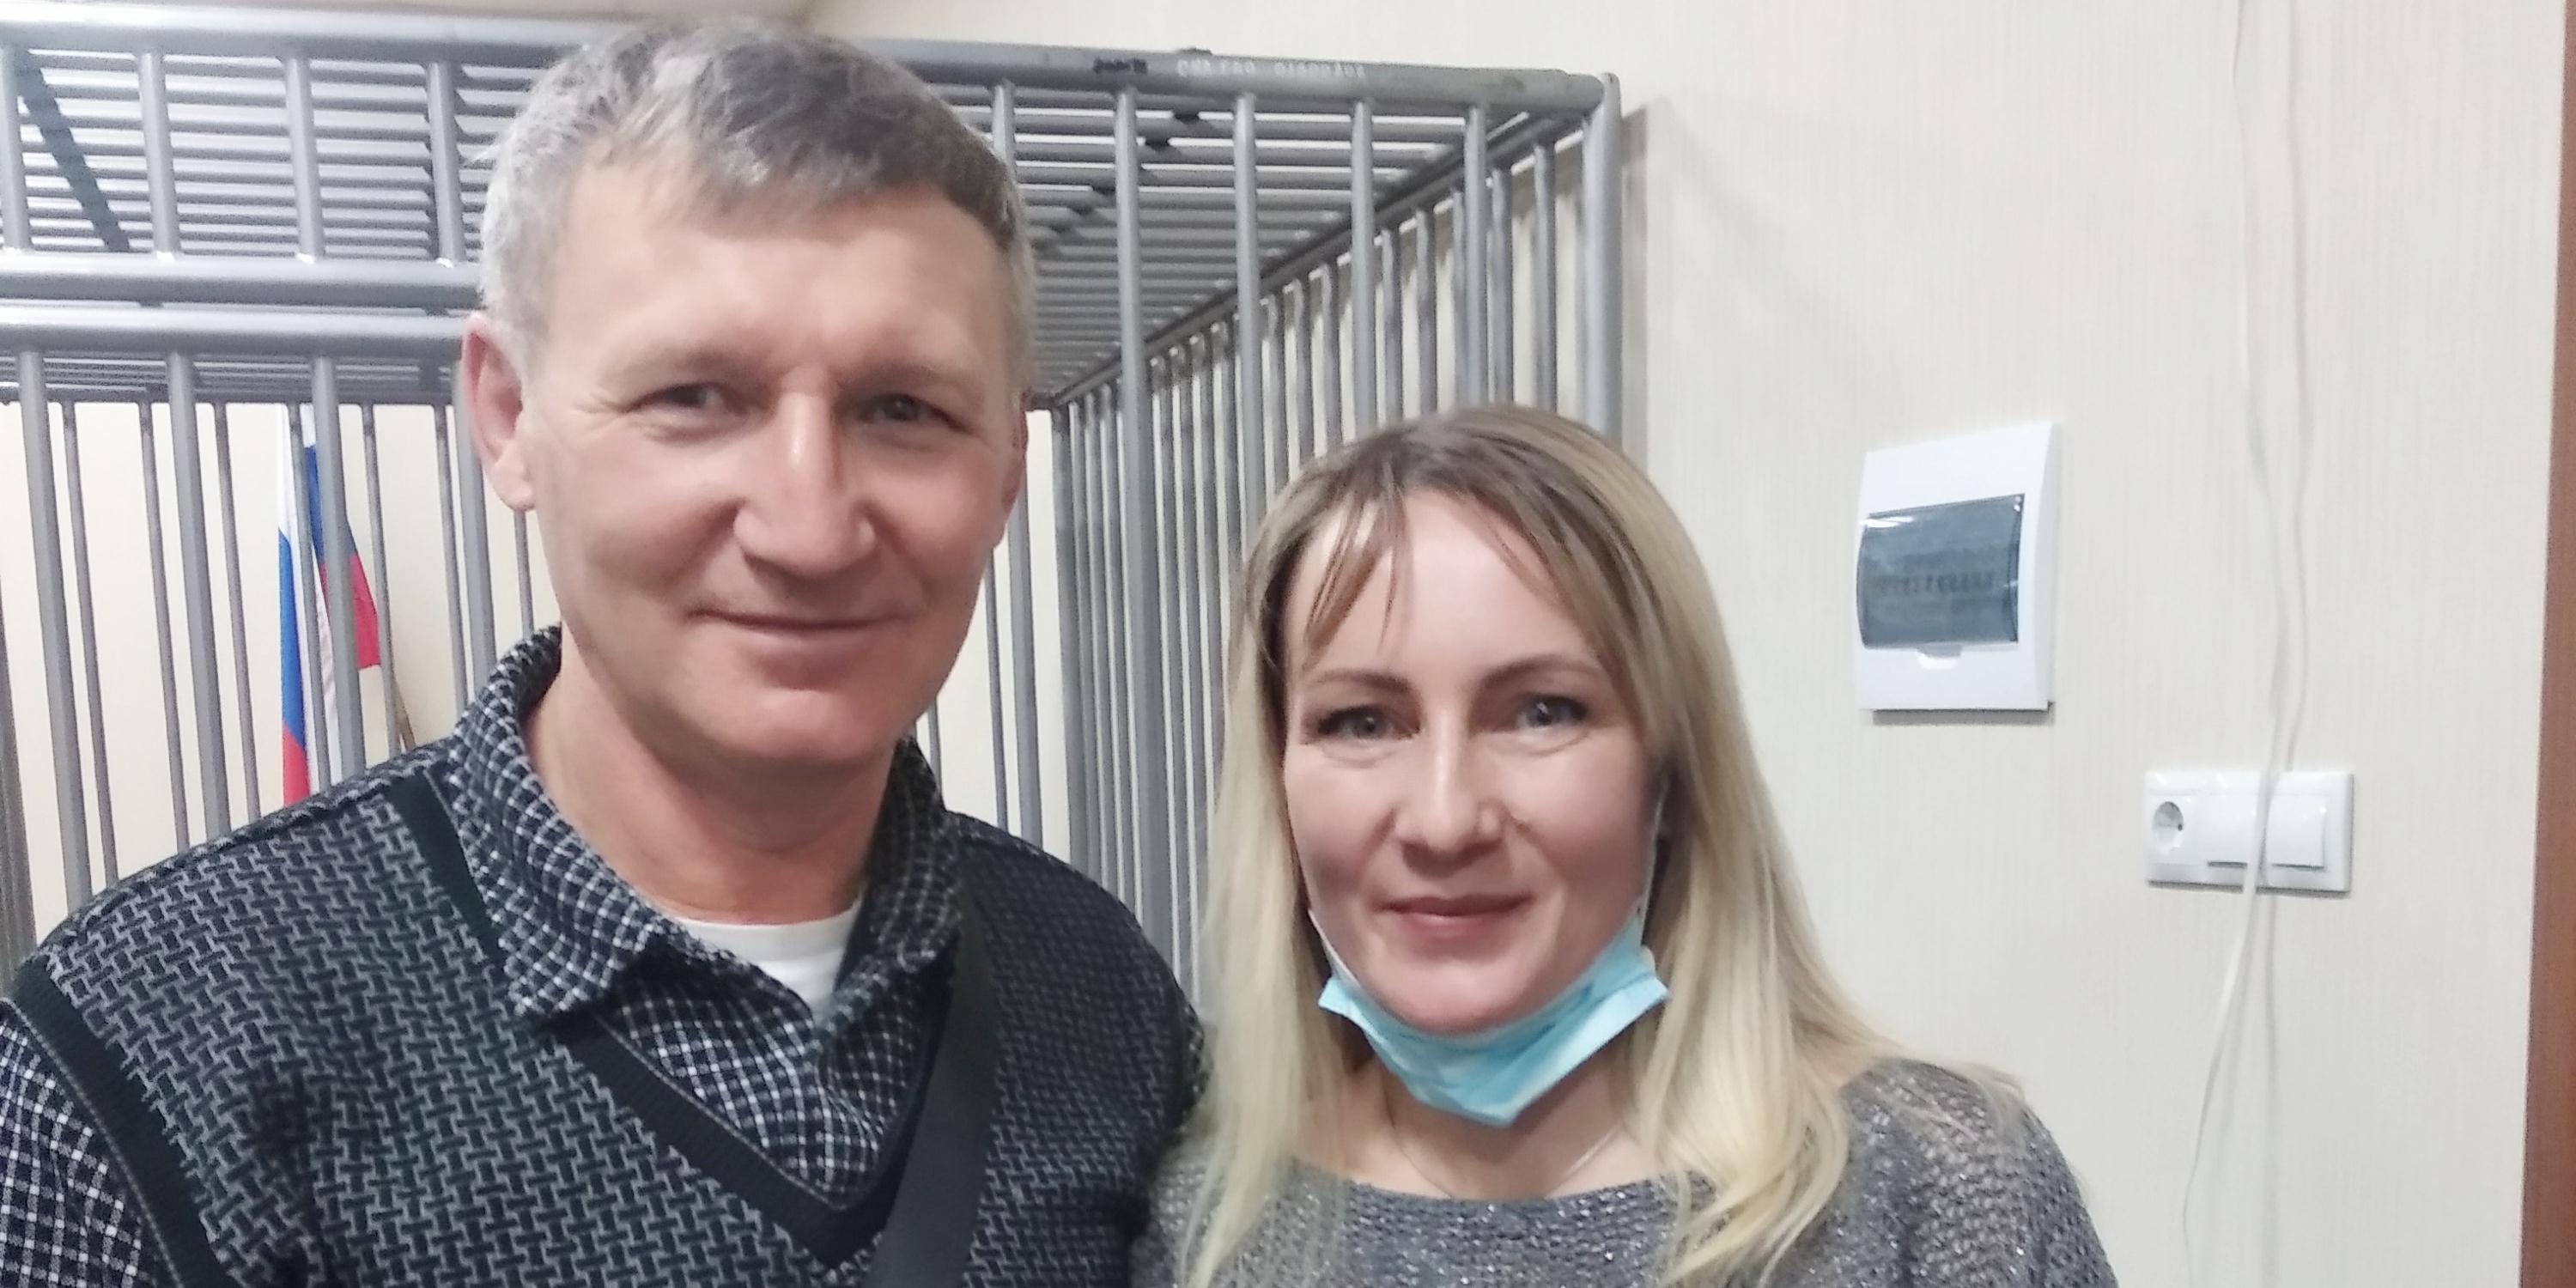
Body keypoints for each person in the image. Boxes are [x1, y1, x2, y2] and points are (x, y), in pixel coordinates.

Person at [0, 22, 1195, 1287]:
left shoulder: (1101, 990)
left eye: (905, 409)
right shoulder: (142, 1060)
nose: (809, 528)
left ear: (1007, 464)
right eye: (695, 397)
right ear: (508, 417)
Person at [1134, 405, 2112, 1287]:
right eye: (1362, 722)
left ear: (1672, 774)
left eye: (1542, 711)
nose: (1443, 820)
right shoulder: (1211, 1228)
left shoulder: (1940, 1191)